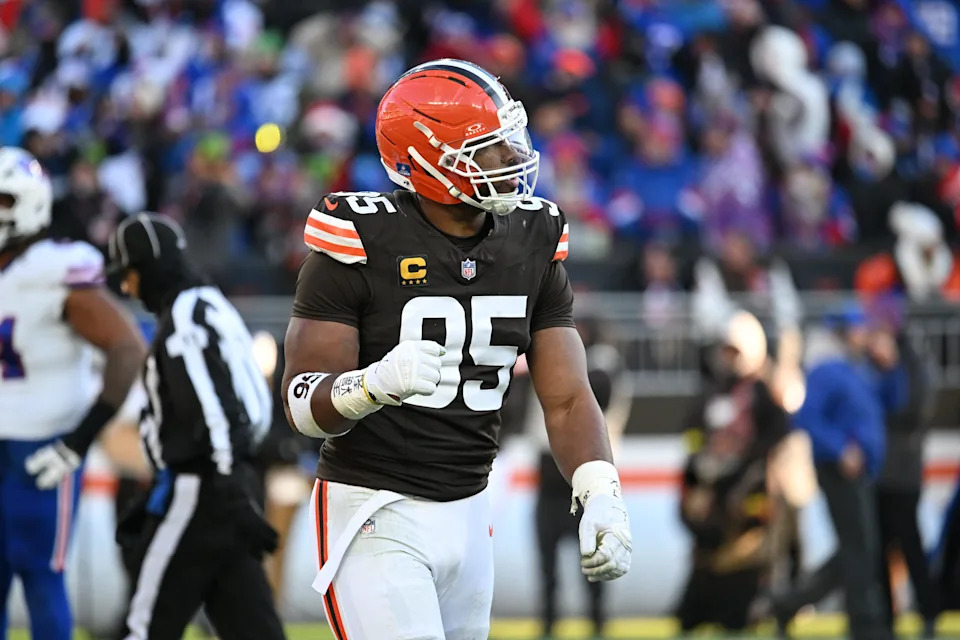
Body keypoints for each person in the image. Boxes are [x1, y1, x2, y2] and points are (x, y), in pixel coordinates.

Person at [281, 58, 632, 640]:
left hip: (470, 511)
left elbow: (568, 396)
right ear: (427, 158)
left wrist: (600, 490)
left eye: (510, 141)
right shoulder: (359, 239)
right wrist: (372, 386)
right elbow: (299, 405)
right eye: (490, 147)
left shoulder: (532, 236)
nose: (512, 159)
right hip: (374, 507)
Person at [105, 213, 286, 640]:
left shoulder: (185, 318)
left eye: (129, 275)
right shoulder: (209, 303)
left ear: (147, 268)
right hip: (226, 486)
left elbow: (214, 408)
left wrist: (223, 484)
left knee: (141, 628)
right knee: (256, 632)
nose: (128, 288)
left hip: (201, 492)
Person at [0, 147, 146, 640]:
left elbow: (127, 347)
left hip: (44, 447)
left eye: (2, 201)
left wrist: (80, 439)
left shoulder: (58, 268)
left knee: (41, 576)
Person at [769, 305, 892, 640]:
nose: (864, 335)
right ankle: (864, 622)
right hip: (839, 470)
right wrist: (841, 450)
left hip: (860, 470)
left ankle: (789, 603)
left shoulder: (857, 369)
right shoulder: (827, 369)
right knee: (859, 547)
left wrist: (889, 368)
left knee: (857, 548)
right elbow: (806, 418)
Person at [674, 311, 790, 633]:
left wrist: (745, 459)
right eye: (726, 351)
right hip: (712, 483)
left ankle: (746, 610)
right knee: (705, 544)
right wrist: (702, 460)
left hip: (748, 484)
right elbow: (691, 432)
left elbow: (777, 433)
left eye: (735, 351)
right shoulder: (711, 390)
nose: (729, 359)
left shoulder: (763, 392)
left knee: (745, 552)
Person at [527, 317, 630, 639]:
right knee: (547, 562)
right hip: (549, 469)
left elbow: (593, 392)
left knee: (595, 559)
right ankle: (548, 623)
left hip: (588, 469)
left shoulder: (603, 363)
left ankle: (598, 624)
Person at [865, 309, 939, 638]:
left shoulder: (912, 368)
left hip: (904, 475)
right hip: (879, 474)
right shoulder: (874, 368)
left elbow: (912, 412)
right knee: (880, 547)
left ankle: (927, 611)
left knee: (909, 544)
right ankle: (887, 617)